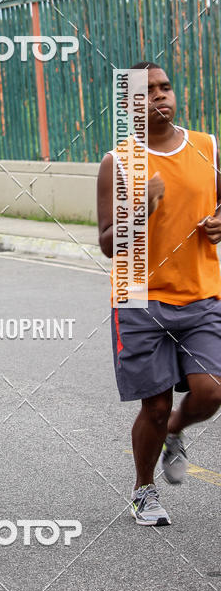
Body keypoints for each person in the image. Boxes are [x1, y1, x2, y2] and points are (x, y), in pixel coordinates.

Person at [97, 62, 221, 526]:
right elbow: (108, 243)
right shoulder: (118, 163)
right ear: (130, 107)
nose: (160, 97)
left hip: (201, 293)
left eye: (165, 87)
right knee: (155, 403)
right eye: (147, 92)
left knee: (211, 393)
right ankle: (143, 490)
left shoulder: (207, 148)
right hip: (137, 297)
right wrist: (140, 208)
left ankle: (174, 431)